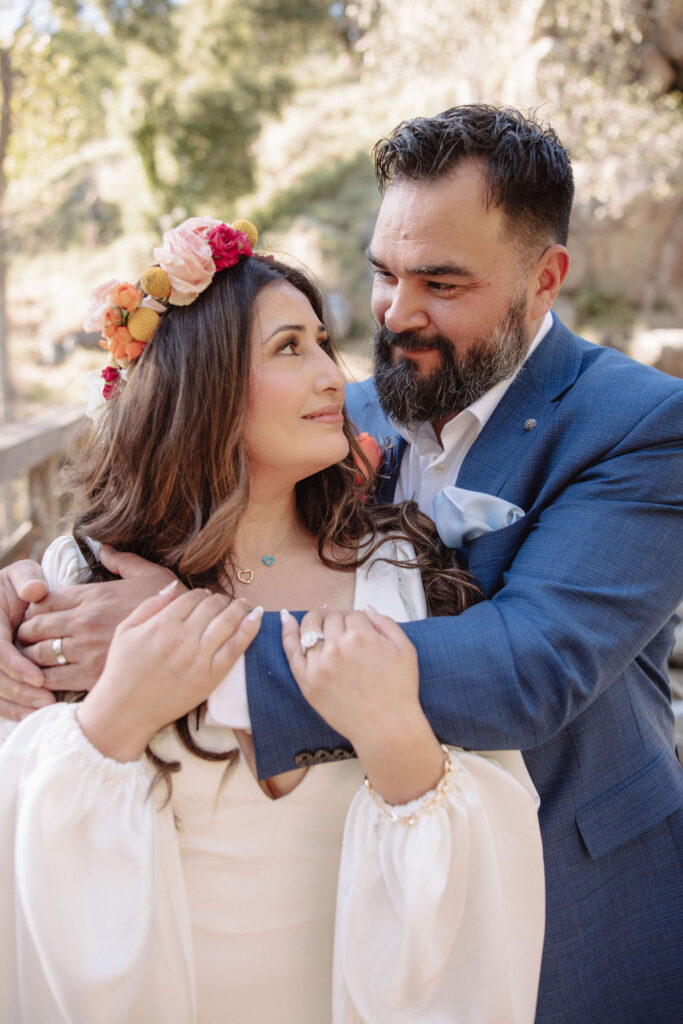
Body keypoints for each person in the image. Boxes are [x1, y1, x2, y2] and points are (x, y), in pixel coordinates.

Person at [1, 106, 682, 1021]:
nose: (397, 315)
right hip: (331, 927)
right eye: (383, 274)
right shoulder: (336, 412)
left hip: (577, 891)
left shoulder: (641, 426)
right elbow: (195, 503)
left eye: (441, 281)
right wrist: (23, 598)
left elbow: (528, 668)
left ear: (543, 279)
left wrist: (184, 647)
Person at [0, 217, 544, 1023]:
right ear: (203, 385)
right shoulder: (84, 584)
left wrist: (393, 737)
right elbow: (26, 844)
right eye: (290, 348)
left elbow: (493, 845)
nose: (334, 375)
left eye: (324, 343)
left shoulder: (398, 575)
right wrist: (114, 719)